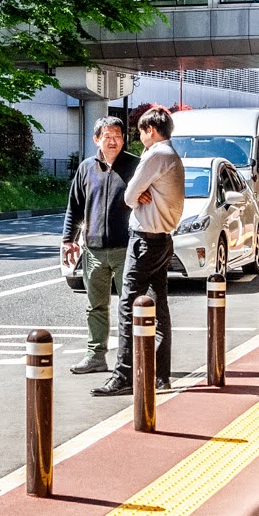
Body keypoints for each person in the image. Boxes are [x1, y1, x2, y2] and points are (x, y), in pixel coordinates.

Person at [97, 107, 185, 398]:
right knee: (159, 307)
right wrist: (142, 194)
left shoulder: (156, 155)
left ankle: (123, 375)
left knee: (127, 304)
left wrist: (138, 196)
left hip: (144, 241)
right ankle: (161, 375)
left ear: (151, 130)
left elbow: (128, 194)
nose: (139, 137)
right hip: (162, 240)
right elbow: (138, 193)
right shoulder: (172, 155)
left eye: (140, 131)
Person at [62, 116, 136, 374]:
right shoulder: (86, 168)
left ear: (124, 138)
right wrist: (68, 241)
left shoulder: (135, 166)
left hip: (126, 248)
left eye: (117, 136)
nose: (113, 141)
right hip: (93, 250)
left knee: (130, 305)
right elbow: (75, 207)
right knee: (95, 306)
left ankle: (131, 359)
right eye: (107, 136)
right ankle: (95, 356)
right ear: (97, 139)